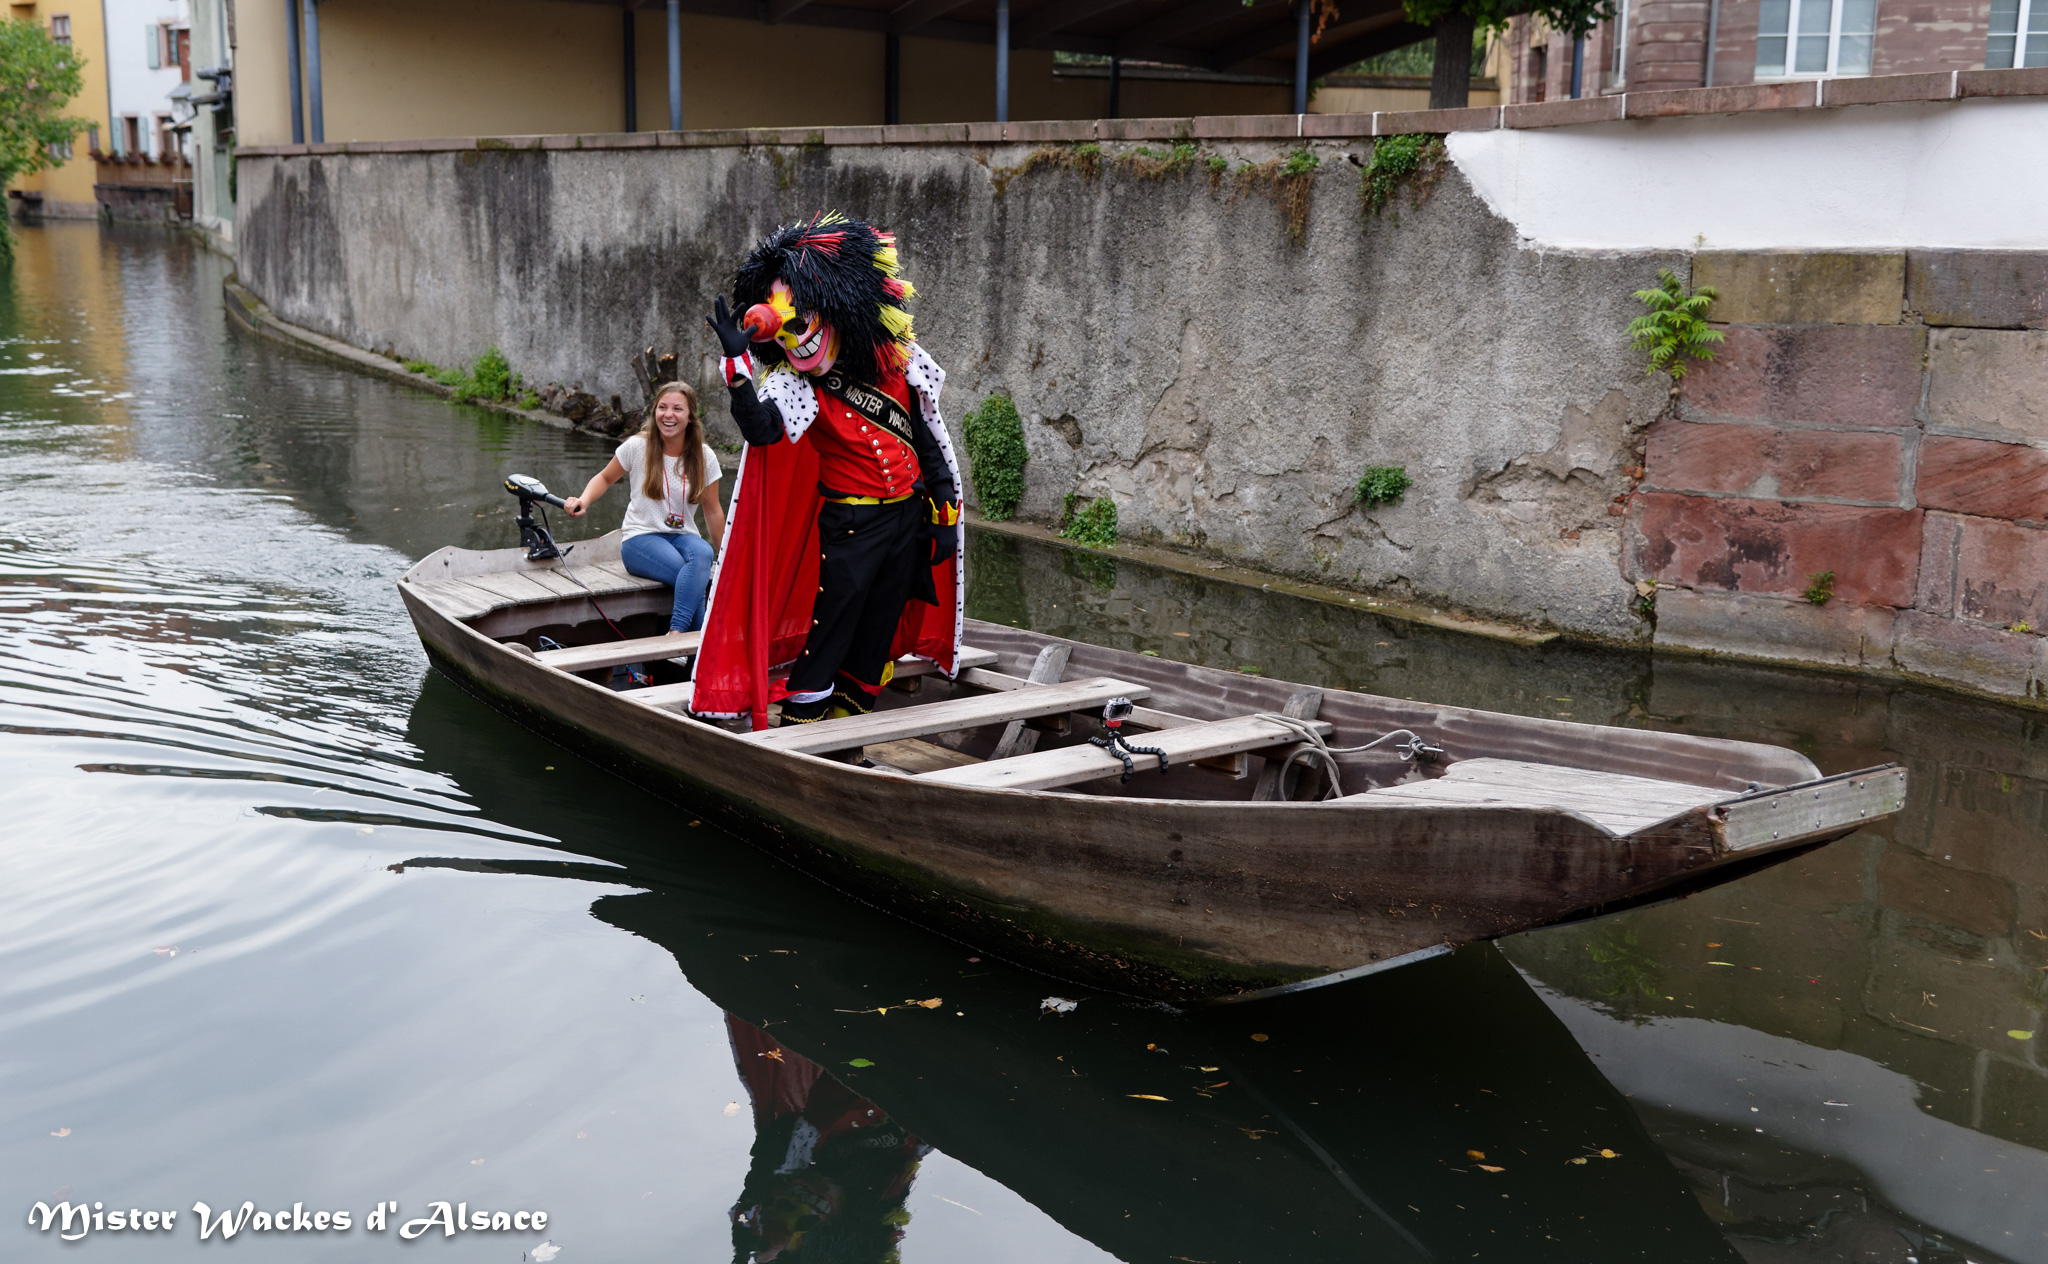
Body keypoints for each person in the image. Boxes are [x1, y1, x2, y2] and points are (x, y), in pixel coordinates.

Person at [688, 211, 964, 729]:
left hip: (906, 521)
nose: (797, 340)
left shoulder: (897, 362)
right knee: (834, 624)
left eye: (801, 321)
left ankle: (850, 727)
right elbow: (763, 429)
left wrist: (944, 516)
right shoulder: (800, 384)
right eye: (785, 333)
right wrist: (737, 370)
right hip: (851, 524)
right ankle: (803, 726)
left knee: (879, 626)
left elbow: (927, 442)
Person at [563, 381, 726, 635]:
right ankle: (681, 639)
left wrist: (727, 556)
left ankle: (683, 644)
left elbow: (713, 510)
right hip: (640, 539)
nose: (668, 414)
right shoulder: (637, 447)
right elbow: (605, 478)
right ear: (654, 412)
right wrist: (583, 499)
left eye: (677, 409)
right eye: (662, 407)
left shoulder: (704, 457)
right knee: (690, 575)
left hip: (682, 537)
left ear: (691, 417)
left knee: (704, 553)